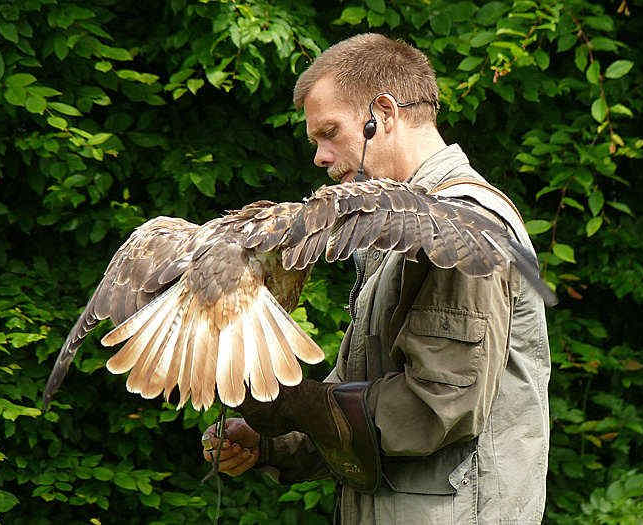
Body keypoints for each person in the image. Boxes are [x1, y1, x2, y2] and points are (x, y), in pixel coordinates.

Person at [201, 33, 551, 524]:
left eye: (330, 133)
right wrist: (272, 441)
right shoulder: (395, 225)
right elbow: (360, 398)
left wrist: (297, 405)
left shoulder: (459, 225)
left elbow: (437, 406)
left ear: (382, 114)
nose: (320, 157)